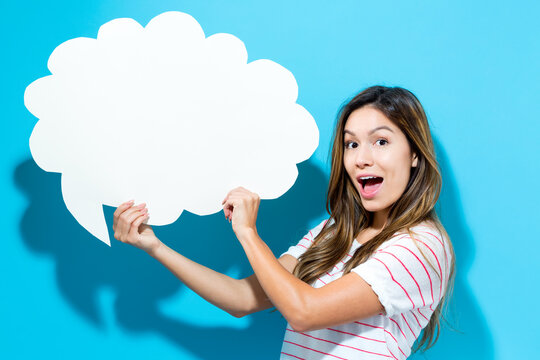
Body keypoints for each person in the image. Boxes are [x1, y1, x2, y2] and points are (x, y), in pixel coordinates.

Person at [113, 85, 455, 359]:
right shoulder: (334, 231)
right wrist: (155, 246)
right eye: (351, 144)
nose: (362, 159)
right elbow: (242, 299)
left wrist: (248, 234)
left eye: (381, 142)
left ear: (414, 154)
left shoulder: (421, 247)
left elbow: (305, 312)